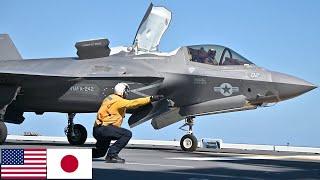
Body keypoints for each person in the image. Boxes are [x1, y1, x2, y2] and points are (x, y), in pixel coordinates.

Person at [92, 82, 163, 163]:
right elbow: (133, 103)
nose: (127, 93)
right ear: (122, 91)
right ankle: (112, 155)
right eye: (126, 92)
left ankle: (82, 155)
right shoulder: (118, 100)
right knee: (126, 134)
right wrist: (151, 98)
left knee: (100, 152)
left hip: (98, 130)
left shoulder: (110, 98)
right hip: (105, 129)